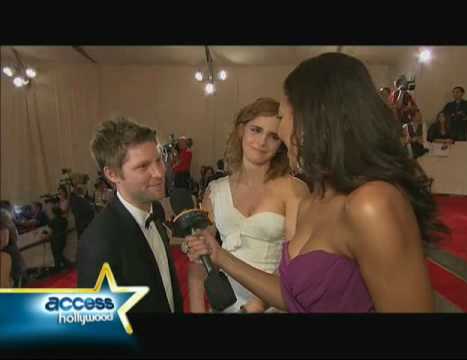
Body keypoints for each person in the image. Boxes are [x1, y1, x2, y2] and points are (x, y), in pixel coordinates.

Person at [186, 53, 448, 313]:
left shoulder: (371, 203)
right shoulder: (313, 199)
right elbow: (293, 298)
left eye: (282, 117)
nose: (281, 133)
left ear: (309, 120)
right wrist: (220, 257)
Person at [187, 97, 310, 313]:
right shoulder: (215, 191)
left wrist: (257, 306)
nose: (262, 142)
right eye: (256, 130)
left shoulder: (294, 190)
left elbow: (295, 265)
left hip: (275, 303)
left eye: (273, 136)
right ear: (241, 130)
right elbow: (199, 260)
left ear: (281, 142)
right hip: (225, 304)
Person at [77, 117, 183, 313]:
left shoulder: (155, 211)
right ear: (112, 175)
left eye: (158, 160)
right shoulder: (98, 242)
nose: (159, 173)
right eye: (143, 166)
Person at [47, 206, 69, 271]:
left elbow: (51, 231)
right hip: (63, 238)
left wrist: (46, 236)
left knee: (57, 254)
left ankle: (63, 265)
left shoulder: (53, 221)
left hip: (55, 240)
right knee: (59, 253)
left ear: (53, 213)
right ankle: (60, 266)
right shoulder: (65, 220)